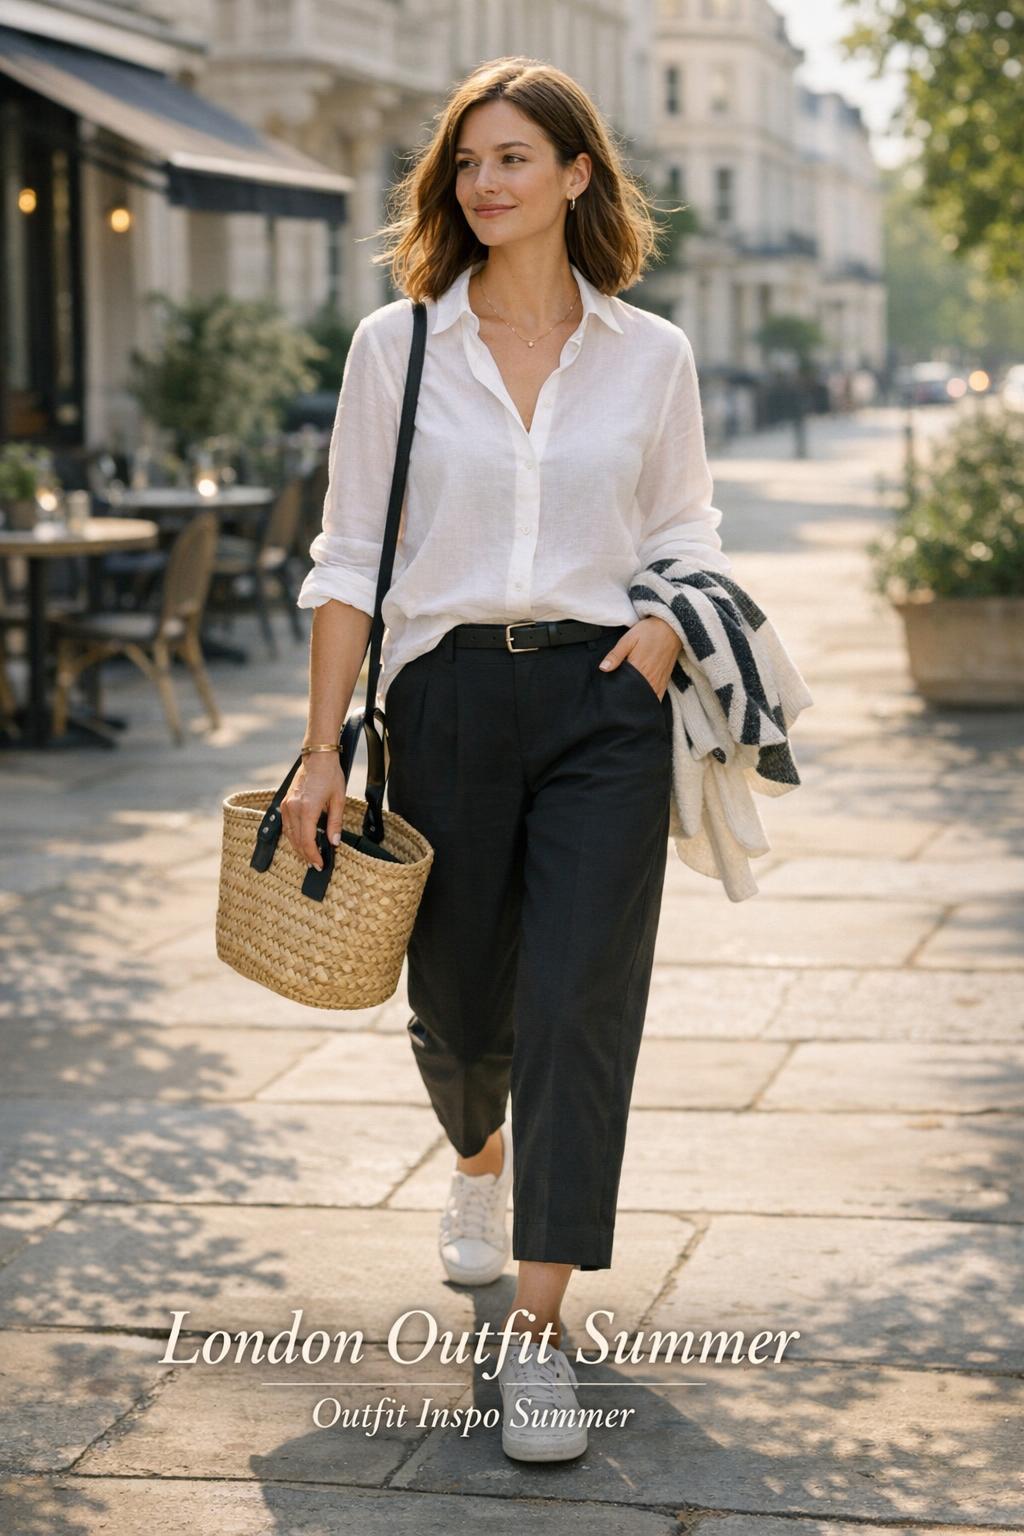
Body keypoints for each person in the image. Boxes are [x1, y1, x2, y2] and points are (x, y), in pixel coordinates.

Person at [282, 56, 731, 1463]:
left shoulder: (650, 354)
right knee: (461, 1006)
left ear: (576, 175)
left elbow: (689, 529)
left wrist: (661, 633)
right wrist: (317, 753)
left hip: (607, 703)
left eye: (514, 158)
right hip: (453, 699)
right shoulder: (396, 345)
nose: (484, 183)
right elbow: (348, 553)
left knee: (582, 1003)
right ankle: (476, 1159)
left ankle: (539, 1335)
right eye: (468, 162)